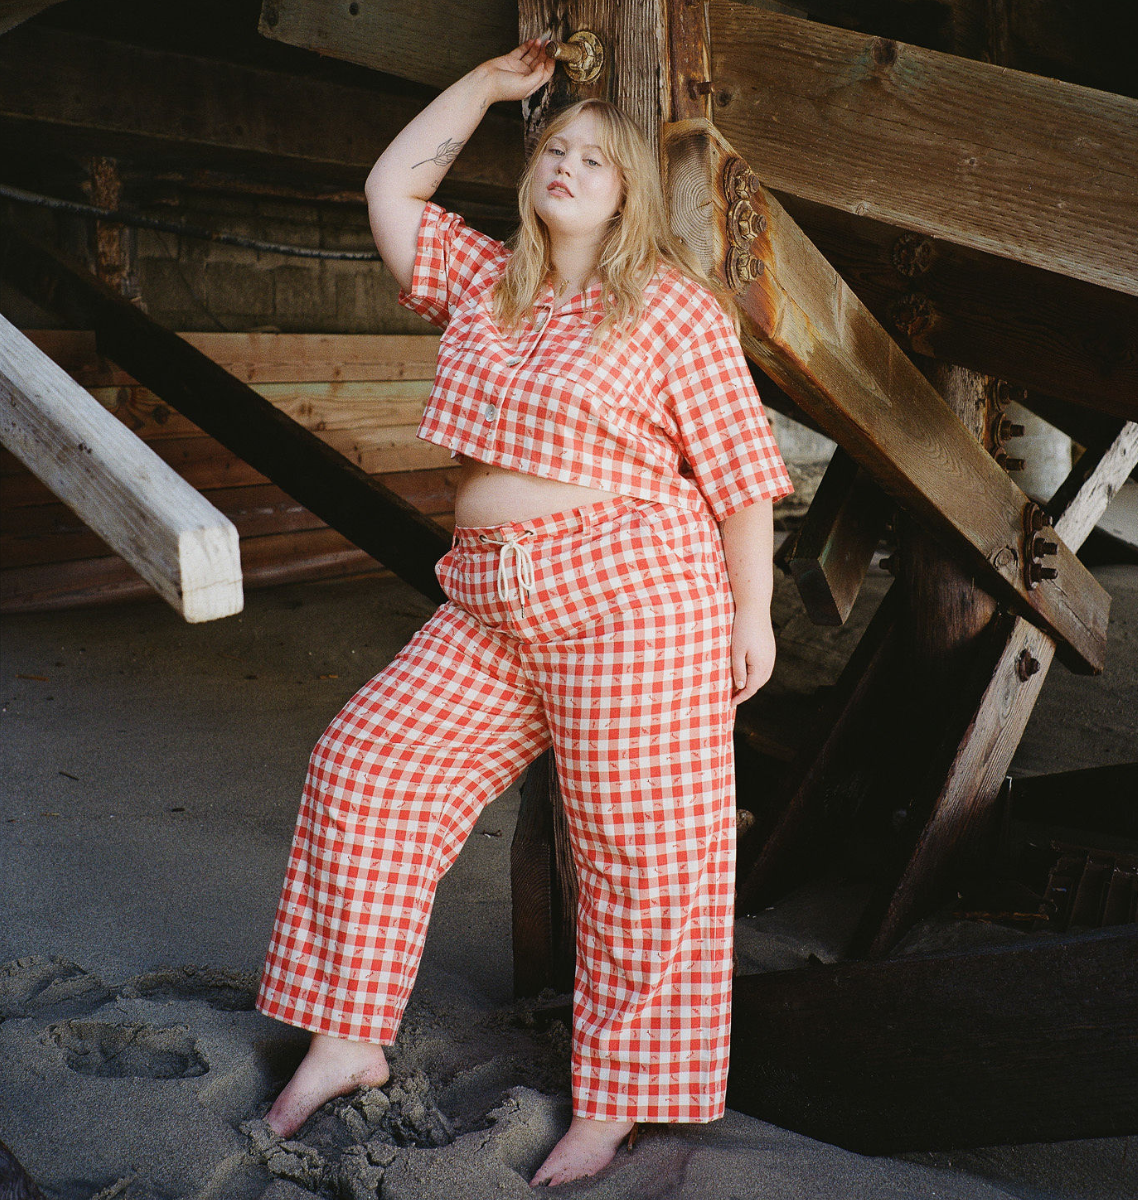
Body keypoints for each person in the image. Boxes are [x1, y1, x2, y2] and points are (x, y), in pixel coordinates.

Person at [254, 39, 793, 1187]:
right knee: (367, 766)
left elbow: (743, 476)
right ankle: (347, 1037)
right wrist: (489, 88)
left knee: (640, 845)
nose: (569, 166)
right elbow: (390, 190)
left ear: (630, 192)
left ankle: (620, 1099)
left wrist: (753, 612)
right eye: (555, 148)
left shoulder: (671, 309)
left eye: (597, 158)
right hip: (489, 592)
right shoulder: (487, 282)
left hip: (633, 592)